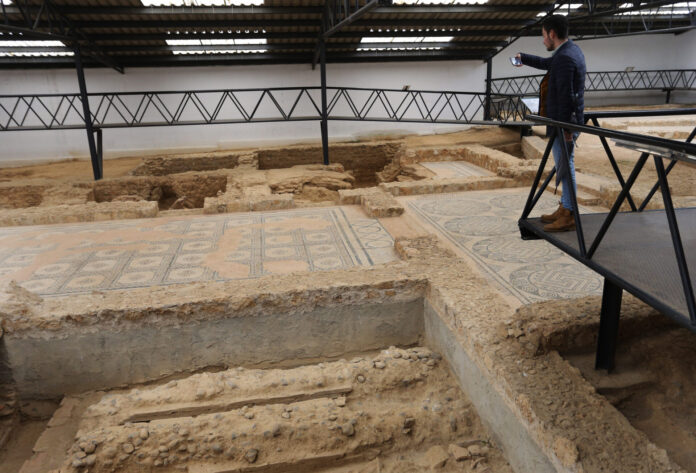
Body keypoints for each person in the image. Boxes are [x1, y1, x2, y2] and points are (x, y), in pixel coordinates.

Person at [514, 15, 586, 232]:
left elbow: (566, 96)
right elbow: (547, 63)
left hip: (563, 125)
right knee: (564, 165)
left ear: (552, 34)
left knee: (566, 167)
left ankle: (570, 214)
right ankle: (565, 207)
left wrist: (565, 129)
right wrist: (523, 58)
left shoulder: (565, 58)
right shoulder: (569, 50)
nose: (543, 40)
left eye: (543, 35)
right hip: (565, 123)